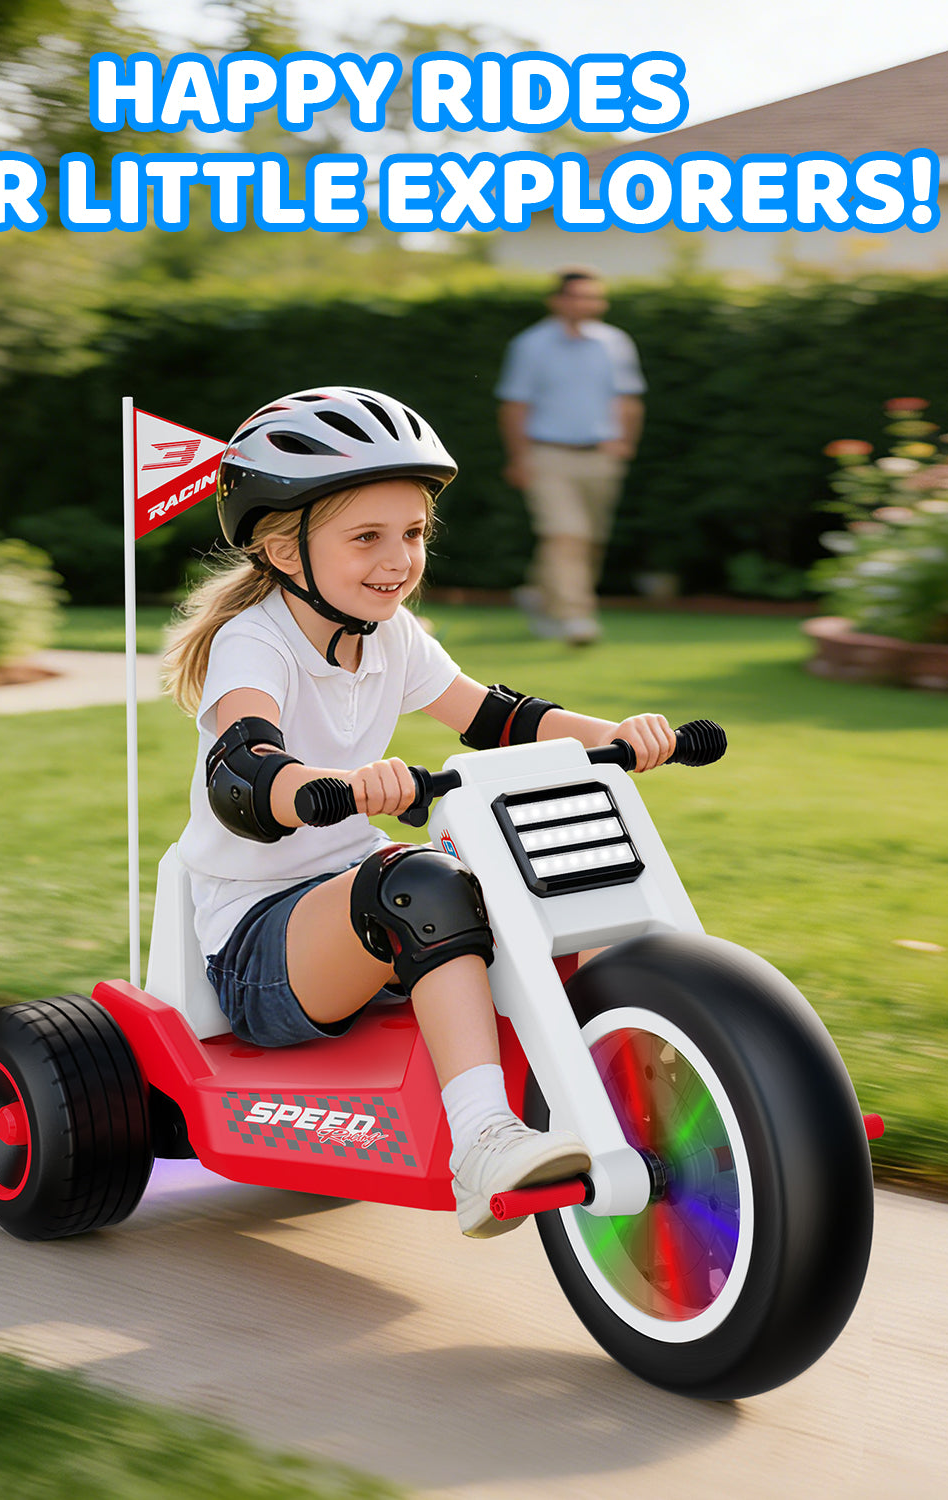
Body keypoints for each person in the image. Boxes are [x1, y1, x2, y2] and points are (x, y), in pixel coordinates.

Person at [163, 386, 674, 1239]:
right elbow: (243, 767)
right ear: (285, 551)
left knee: (526, 875)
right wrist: (329, 784)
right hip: (258, 944)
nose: (398, 560)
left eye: (412, 534)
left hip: (344, 906)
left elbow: (496, 715)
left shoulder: (390, 633)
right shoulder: (252, 641)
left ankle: (630, 1068)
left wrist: (612, 735)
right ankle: (481, 1142)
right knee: (421, 882)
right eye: (366, 538)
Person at [496, 266, 646, 646]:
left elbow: (628, 399)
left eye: (593, 296)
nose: (586, 303)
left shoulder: (616, 343)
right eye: (577, 295)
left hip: (601, 455)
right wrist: (518, 458)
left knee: (590, 540)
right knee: (566, 535)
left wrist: (624, 443)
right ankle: (576, 617)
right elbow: (514, 405)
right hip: (548, 454)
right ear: (558, 300)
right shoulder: (530, 345)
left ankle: (538, 593)